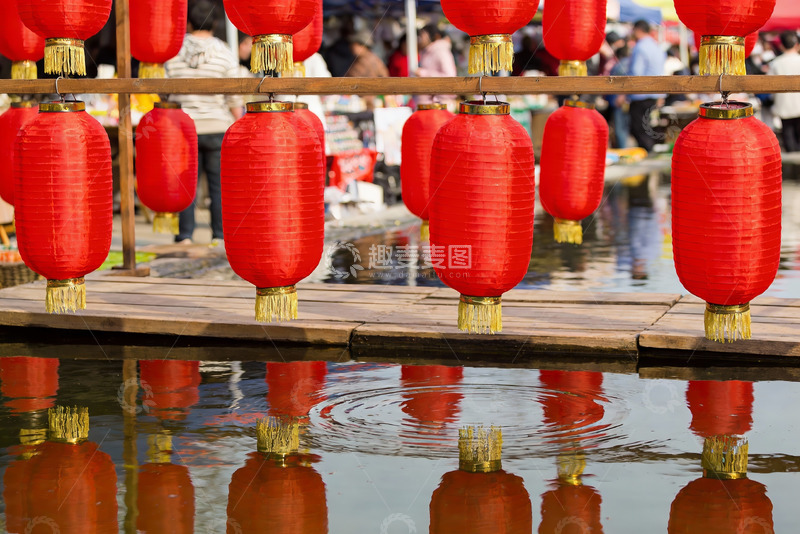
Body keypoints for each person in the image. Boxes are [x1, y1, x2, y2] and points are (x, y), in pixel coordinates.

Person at [165, 0, 244, 245]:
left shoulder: (174, 52)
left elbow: (165, 93)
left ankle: (184, 236)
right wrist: (238, 122)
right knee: (218, 186)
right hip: (218, 126)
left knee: (185, 184)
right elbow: (234, 96)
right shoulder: (224, 53)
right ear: (216, 23)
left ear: (188, 22)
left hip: (183, 129)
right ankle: (219, 236)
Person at [628, 20, 666, 152]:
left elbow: (635, 74)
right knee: (648, 127)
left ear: (638, 30)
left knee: (639, 128)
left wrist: (624, 93)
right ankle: (651, 153)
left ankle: (648, 154)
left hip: (640, 94)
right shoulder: (656, 46)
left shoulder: (640, 47)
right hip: (654, 93)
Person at [769, 31, 800, 152]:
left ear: (781, 45)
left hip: (784, 104)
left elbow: (769, 85)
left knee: (788, 137)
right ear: (796, 44)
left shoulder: (775, 63)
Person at [415, 24, 457, 105]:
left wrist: (424, 73)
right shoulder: (427, 51)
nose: (420, 39)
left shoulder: (441, 51)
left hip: (441, 101)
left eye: (423, 35)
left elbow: (450, 76)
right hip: (431, 100)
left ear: (433, 36)